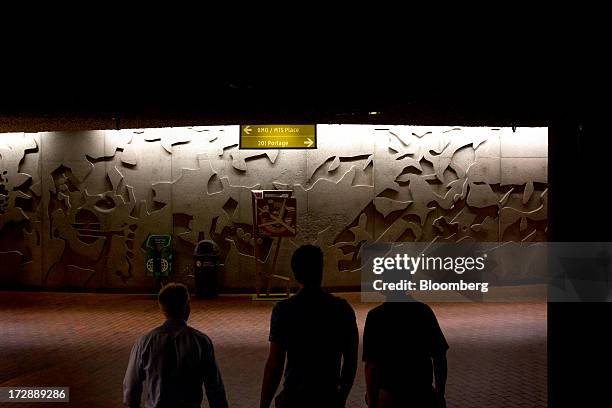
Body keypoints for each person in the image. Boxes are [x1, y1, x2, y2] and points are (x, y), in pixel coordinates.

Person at [260, 245, 359, 408]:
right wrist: (341, 396)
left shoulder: (284, 310)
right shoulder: (342, 309)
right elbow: (350, 361)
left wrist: (263, 404)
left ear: (295, 273)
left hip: (295, 398)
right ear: (321, 270)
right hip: (327, 396)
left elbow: (275, 365)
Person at [123, 282, 228, 408]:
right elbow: (215, 388)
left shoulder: (145, 342)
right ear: (186, 307)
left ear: (162, 309)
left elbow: (131, 387)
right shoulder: (201, 341)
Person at [362, 294, 449, 408]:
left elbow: (371, 366)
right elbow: (439, 357)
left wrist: (372, 402)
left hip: (389, 397)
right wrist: (440, 395)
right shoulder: (423, 312)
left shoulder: (376, 316)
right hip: (421, 395)